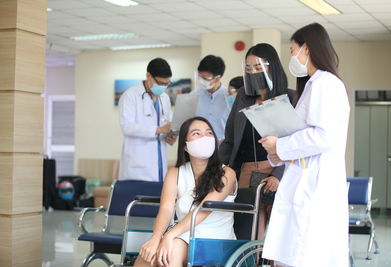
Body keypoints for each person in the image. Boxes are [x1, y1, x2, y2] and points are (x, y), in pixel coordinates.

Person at [260, 23, 350, 267]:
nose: (291, 56)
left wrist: (280, 145)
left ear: (306, 49)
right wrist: (278, 152)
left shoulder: (326, 84)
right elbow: (303, 139)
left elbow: (323, 137)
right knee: (293, 255)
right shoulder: (312, 85)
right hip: (302, 182)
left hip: (314, 188)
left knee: (305, 256)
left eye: (292, 49)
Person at [133, 116, 237, 267]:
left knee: (171, 252)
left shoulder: (227, 173)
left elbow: (203, 210)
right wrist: (156, 238)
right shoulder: (175, 173)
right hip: (181, 234)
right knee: (148, 256)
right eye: (197, 133)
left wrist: (169, 236)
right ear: (185, 146)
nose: (205, 137)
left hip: (215, 239)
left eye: (209, 133)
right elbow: (166, 208)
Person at [219, 43, 297, 240]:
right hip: (246, 173)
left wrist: (278, 175)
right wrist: (216, 166)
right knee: (246, 233)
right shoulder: (243, 97)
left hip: (278, 174)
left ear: (272, 68)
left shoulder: (289, 97)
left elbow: (294, 142)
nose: (253, 72)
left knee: (278, 238)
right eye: (248, 68)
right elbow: (230, 139)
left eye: (258, 67)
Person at [118, 58, 177, 182]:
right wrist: (158, 129)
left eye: (166, 83)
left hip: (160, 163)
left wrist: (170, 137)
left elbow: (167, 124)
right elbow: (127, 126)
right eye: (160, 83)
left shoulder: (164, 98)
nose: (163, 87)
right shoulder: (130, 95)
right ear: (148, 76)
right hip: (138, 167)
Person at [192, 55, 230, 141]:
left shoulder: (229, 98)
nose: (201, 80)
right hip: (198, 147)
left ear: (217, 78)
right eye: (200, 76)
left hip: (222, 149)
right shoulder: (193, 97)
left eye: (205, 78)